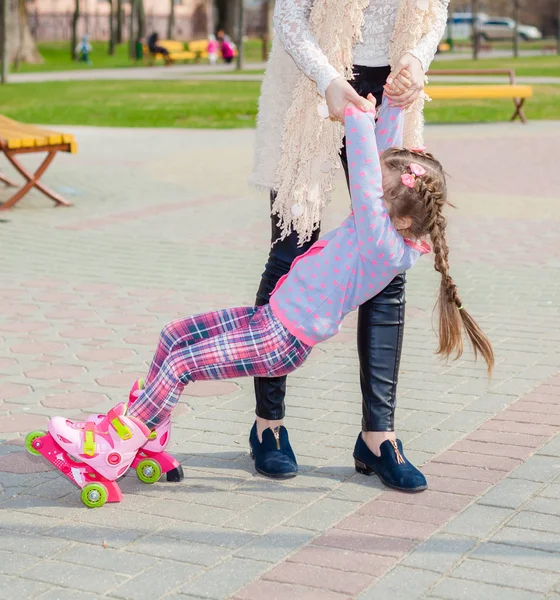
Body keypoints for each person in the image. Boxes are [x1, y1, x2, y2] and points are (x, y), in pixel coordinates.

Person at [45, 98, 494, 494]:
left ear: (396, 218)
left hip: (280, 342)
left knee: (182, 365)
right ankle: (152, 431)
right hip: (270, 321)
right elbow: (381, 162)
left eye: (380, 189)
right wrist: (392, 107)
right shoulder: (389, 227)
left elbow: (363, 165)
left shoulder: (382, 244)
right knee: (174, 336)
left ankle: (115, 444)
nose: (371, 188)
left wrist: (357, 116)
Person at [249, 0, 450, 488]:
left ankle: (378, 437)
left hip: (393, 93)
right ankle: (267, 425)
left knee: (389, 260)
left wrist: (416, 61)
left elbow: (436, 9)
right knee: (292, 247)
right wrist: (329, 81)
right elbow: (290, 16)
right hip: (314, 86)